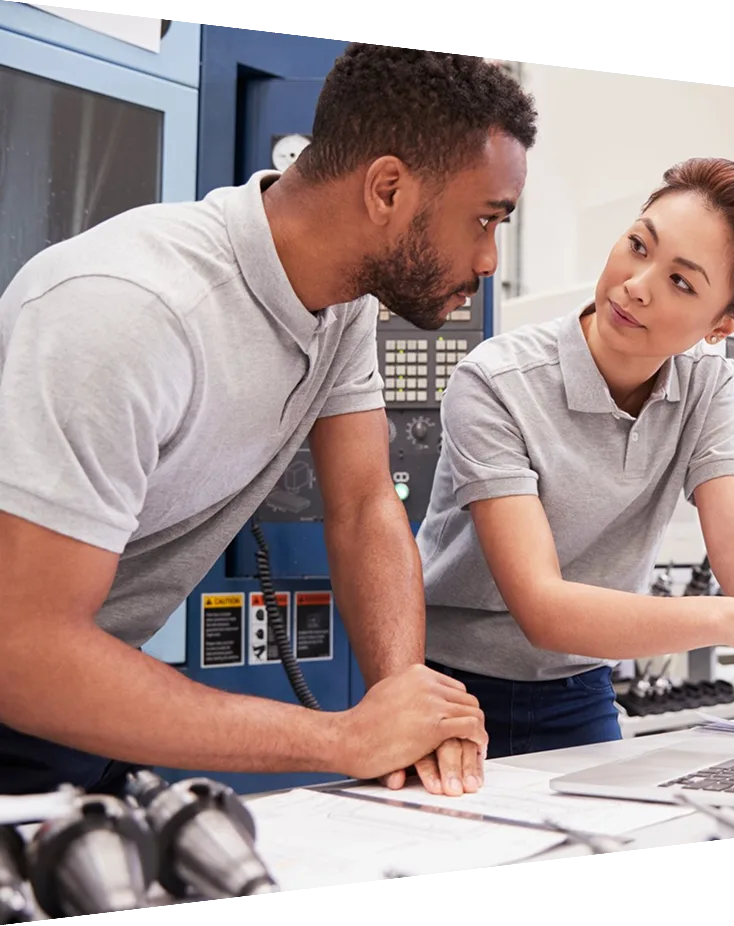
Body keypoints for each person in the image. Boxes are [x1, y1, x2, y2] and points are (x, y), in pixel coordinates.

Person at [0, 44, 537, 799]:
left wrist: (405, 699)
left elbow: (363, 505)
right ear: (387, 188)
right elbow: (23, 650)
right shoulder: (131, 313)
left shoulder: (341, 301)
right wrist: (344, 736)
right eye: (484, 220)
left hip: (77, 687)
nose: (488, 261)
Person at [417, 157, 734, 760]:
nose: (638, 283)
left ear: (725, 323)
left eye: (682, 282)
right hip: (454, 688)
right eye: (639, 245)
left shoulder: (705, 380)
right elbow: (542, 607)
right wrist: (730, 621)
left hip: (580, 685)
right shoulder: (497, 381)